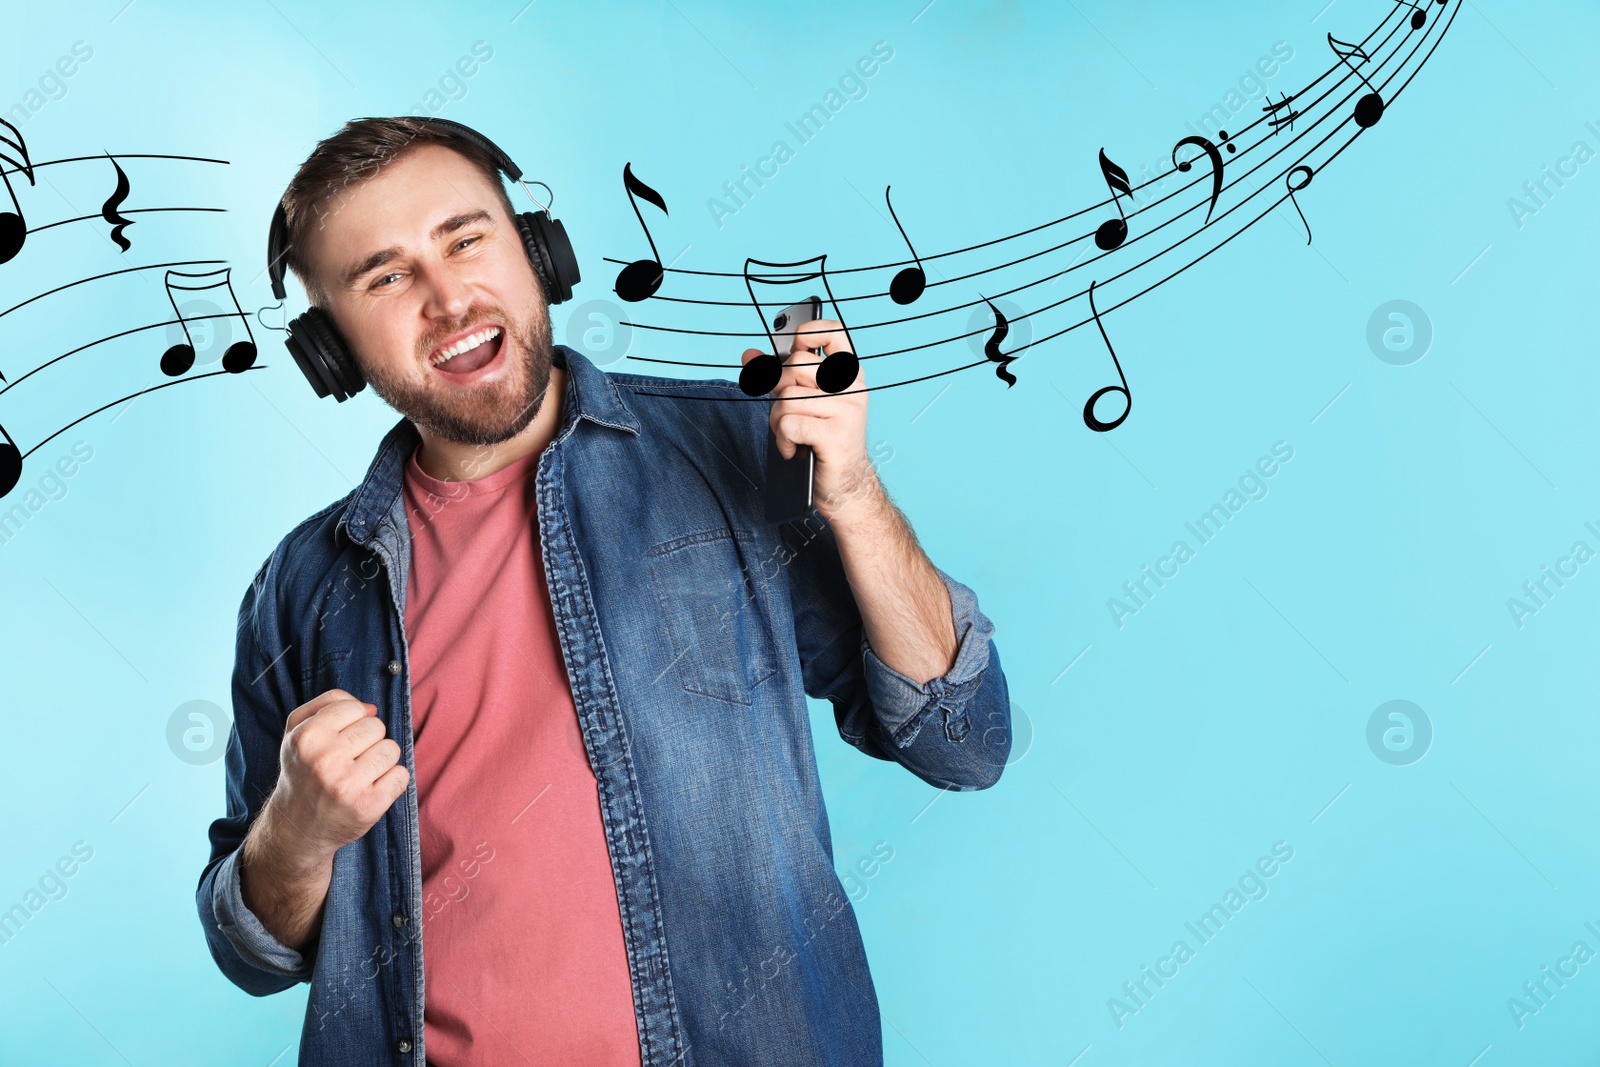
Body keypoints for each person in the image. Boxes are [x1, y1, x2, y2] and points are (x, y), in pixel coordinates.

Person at [195, 116, 1012, 1067]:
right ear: (328, 351)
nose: (450, 297)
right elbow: (251, 950)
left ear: (540, 251)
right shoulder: (300, 588)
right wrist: (295, 829)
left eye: (468, 240)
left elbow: (967, 743)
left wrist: (855, 496)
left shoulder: (736, 452)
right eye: (386, 277)